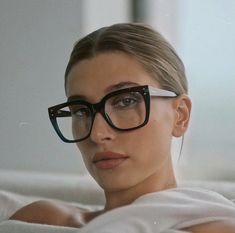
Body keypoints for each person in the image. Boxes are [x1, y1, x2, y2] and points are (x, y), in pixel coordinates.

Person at [9, 23, 235, 232]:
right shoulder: (40, 220)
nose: (97, 134)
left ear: (180, 116)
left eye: (126, 101)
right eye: (81, 110)